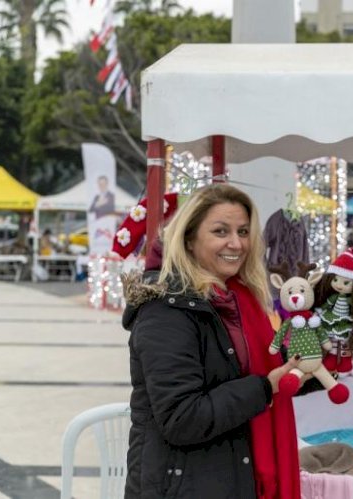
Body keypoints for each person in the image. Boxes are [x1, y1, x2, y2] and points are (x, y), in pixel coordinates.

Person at [122, 183, 301, 499]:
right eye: (221, 231)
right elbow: (182, 417)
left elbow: (262, 365)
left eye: (244, 232)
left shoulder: (239, 300)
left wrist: (319, 359)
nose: (236, 243)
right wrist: (264, 389)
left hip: (229, 477)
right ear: (189, 239)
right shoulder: (166, 308)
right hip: (181, 487)